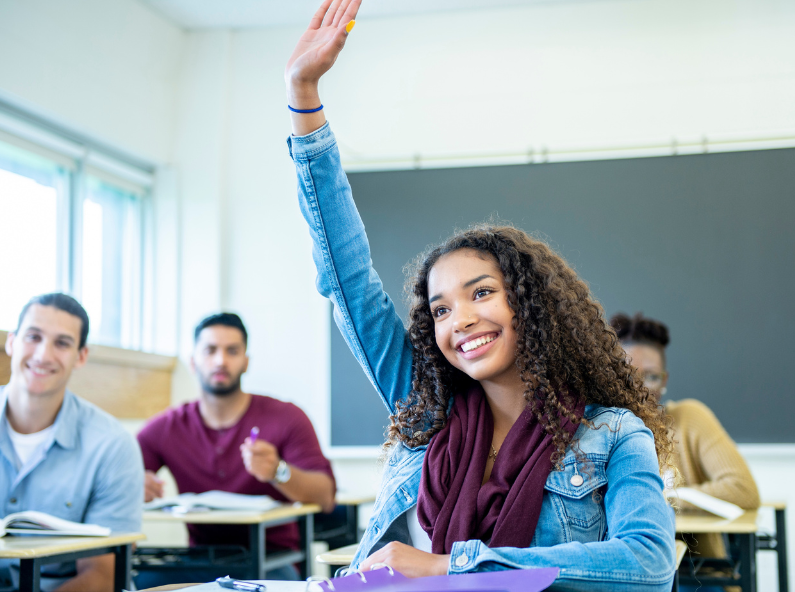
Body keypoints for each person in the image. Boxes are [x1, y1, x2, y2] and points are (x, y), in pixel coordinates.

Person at [283, 1, 676, 589]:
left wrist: (451, 565)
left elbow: (646, 564)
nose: (459, 319)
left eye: (481, 293)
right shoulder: (427, 409)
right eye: (440, 309)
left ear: (531, 305)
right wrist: (303, 94)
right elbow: (349, 280)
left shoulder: (613, 434)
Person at [136, 313, 335, 586]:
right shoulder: (167, 426)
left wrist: (279, 471)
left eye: (232, 351)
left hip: (272, 561)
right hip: (199, 559)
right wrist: (135, 485)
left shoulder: (286, 417)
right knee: (141, 582)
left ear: (246, 362)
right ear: (193, 362)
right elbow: (119, 476)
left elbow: (326, 496)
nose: (220, 360)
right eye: (210, 350)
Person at [0, 293, 143, 592]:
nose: (43, 355)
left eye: (62, 343)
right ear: (11, 342)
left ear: (81, 356)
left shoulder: (112, 446)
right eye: (33, 337)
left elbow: (102, 578)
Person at [610, 312, 760, 561]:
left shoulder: (690, 418)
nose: (639, 387)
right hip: (626, 570)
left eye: (650, 376)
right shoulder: (599, 429)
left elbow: (743, 490)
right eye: (628, 375)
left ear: (664, 380)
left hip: (698, 574)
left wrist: (667, 497)